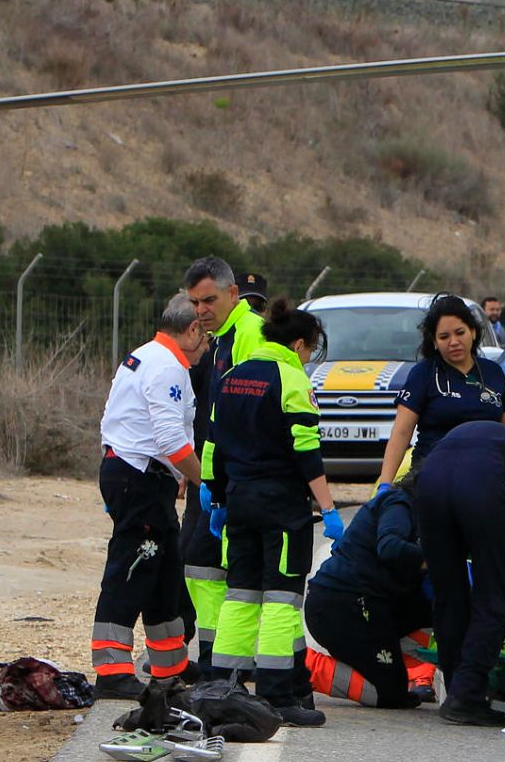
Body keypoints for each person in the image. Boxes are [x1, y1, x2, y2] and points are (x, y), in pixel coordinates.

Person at [207, 298, 337, 727]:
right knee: (281, 599)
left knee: (240, 594)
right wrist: (329, 508)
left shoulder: (231, 377)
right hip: (281, 507)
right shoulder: (291, 379)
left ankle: (223, 683)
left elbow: (215, 445)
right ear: (298, 344)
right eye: (310, 350)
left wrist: (218, 498)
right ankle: (279, 694)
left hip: (240, 503)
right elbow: (307, 453)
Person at [91, 294, 207, 700]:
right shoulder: (168, 367)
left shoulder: (145, 356)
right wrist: (202, 480)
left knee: (165, 570)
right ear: (192, 330)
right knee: (134, 566)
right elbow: (171, 439)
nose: (207, 346)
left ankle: (170, 664)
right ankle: (111, 669)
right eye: (205, 336)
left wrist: (174, 474)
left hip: (138, 473)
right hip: (139, 477)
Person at [413, 421, 505, 726]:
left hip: (430, 483)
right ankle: (467, 696)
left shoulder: (488, 440)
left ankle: (455, 689)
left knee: (449, 596)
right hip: (481, 487)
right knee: (493, 600)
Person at [181, 256, 263, 676]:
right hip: (215, 477)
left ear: (234, 294)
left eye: (209, 300)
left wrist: (230, 480)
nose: (201, 311)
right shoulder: (222, 340)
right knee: (200, 563)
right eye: (195, 303)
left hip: (239, 478)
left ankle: (230, 662)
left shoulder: (250, 336)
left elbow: (252, 414)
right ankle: (214, 656)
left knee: (234, 572)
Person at [304, 476, 433, 709]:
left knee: (439, 610)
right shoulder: (399, 505)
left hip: (374, 605)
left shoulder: (431, 512)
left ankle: (381, 664)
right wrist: (436, 559)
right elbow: (390, 547)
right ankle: (300, 666)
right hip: (341, 607)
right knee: (389, 694)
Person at [375, 295, 505, 486]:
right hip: (433, 477)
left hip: (488, 476)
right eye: (444, 337)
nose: (453, 342)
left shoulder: (493, 373)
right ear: (434, 342)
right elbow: (401, 433)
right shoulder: (422, 374)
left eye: (460, 332)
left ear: (472, 332)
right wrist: (385, 485)